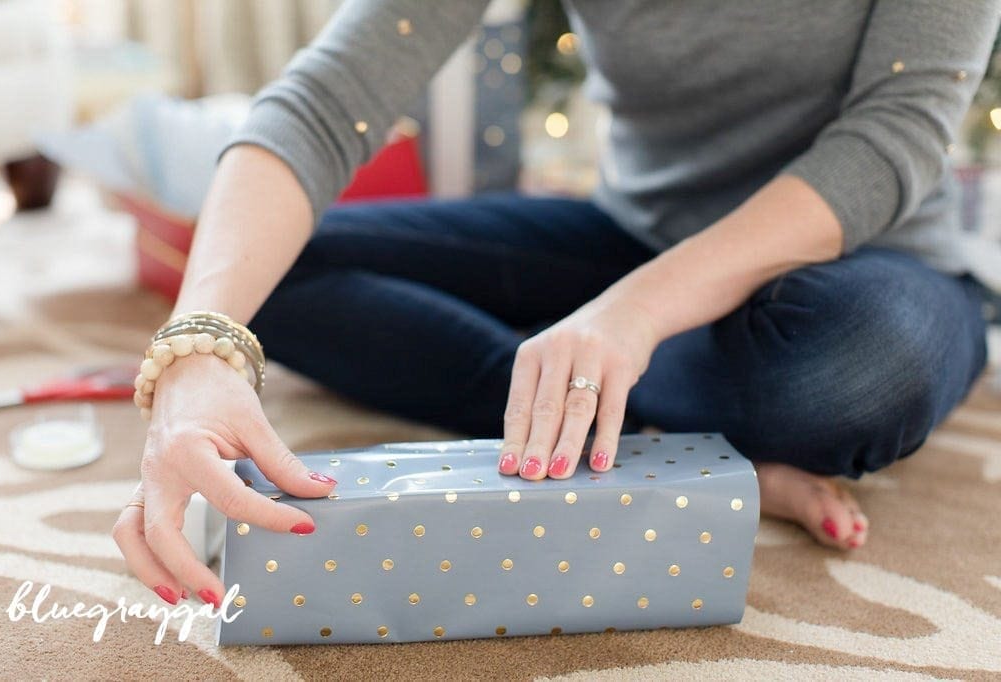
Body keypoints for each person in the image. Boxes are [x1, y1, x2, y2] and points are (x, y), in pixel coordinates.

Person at [112, 0, 999, 608]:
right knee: (266, 270)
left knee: (860, 371)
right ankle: (660, 439)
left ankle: (612, 401)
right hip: (630, 240)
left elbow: (895, 136)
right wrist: (199, 347)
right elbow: (322, 102)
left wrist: (636, 315)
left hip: (864, 266)